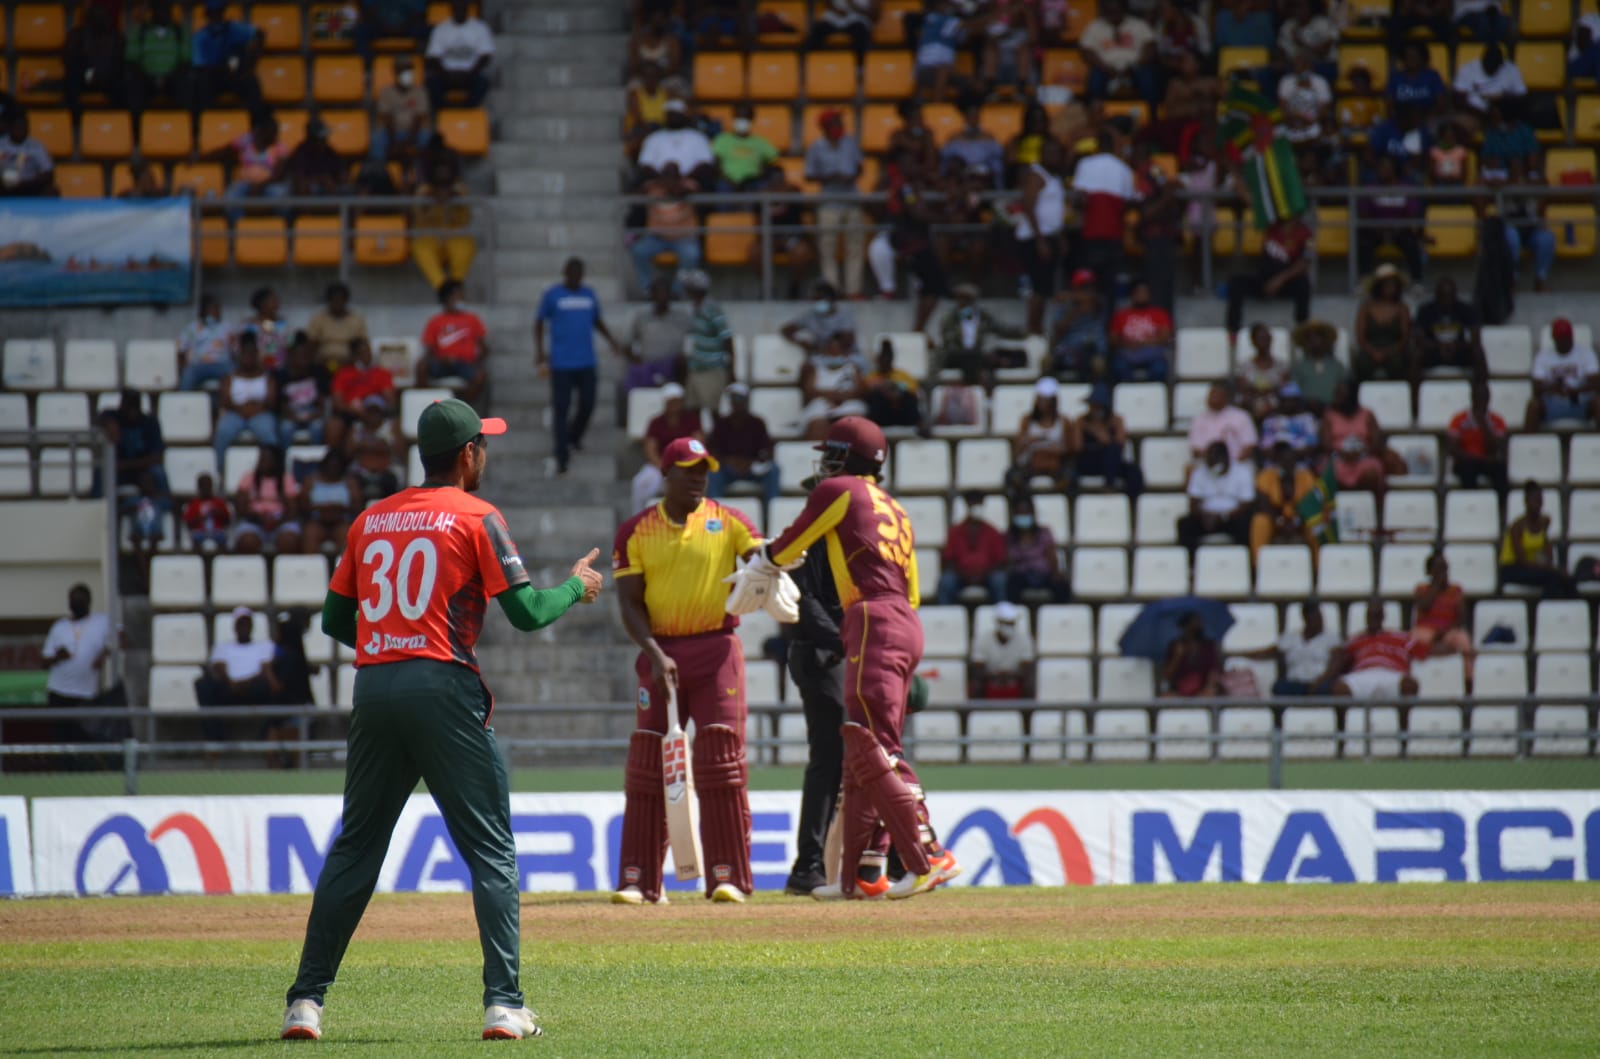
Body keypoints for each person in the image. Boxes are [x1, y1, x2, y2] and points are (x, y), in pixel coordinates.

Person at [281, 398, 602, 1043]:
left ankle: (305, 1003)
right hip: (443, 685)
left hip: (374, 687)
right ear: (466, 455)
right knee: (490, 847)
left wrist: (390, 645)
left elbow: (336, 621)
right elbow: (530, 613)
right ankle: (504, 1005)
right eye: (482, 444)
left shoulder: (372, 519)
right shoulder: (477, 516)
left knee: (357, 847)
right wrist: (576, 587)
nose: (485, 453)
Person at [757, 417, 959, 899]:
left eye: (831, 453)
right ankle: (860, 876)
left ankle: (929, 854)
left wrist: (758, 564)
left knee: (876, 751)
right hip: (903, 622)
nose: (825, 462)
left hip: (870, 619)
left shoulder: (838, 490)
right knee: (860, 751)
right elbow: (911, 591)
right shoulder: (897, 507)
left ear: (845, 457)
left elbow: (785, 549)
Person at [611, 436, 760, 906]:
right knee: (650, 763)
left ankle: (727, 876)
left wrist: (766, 569)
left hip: (716, 651)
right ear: (666, 476)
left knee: (720, 758)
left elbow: (760, 559)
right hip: (660, 655)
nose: (699, 478)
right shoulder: (636, 531)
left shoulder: (728, 521)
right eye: (689, 470)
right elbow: (630, 605)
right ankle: (639, 880)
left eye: (704, 470)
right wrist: (655, 655)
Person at [536, 257, 622, 474]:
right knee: (561, 408)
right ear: (565, 272)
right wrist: (540, 352)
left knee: (588, 403)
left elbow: (597, 320)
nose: (575, 276)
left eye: (579, 273)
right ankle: (561, 454)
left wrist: (611, 340)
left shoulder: (589, 294)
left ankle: (572, 437)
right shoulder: (553, 295)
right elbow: (538, 322)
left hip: (586, 361)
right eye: (571, 272)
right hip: (561, 363)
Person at [1329, 601, 1421, 749]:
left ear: (1383, 616)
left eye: (1377, 615)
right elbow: (1343, 662)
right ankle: (1341, 742)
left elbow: (1426, 651)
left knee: (1409, 685)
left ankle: (1404, 742)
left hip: (1392, 674)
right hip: (1363, 674)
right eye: (1370, 615)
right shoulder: (1355, 639)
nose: (1373, 618)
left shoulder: (1401, 637)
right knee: (1339, 689)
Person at [806, 109, 866, 299]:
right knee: (827, 247)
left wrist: (851, 176)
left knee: (855, 246)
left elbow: (860, 167)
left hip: (851, 198)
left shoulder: (850, 143)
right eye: (836, 123)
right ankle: (831, 290)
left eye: (840, 122)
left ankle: (853, 290)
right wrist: (828, 176)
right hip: (829, 200)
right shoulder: (816, 147)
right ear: (825, 127)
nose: (840, 126)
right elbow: (808, 175)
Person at [195, 606, 277, 737]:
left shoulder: (265, 646)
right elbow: (219, 667)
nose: (244, 627)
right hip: (229, 688)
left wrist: (246, 683)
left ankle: (266, 737)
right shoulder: (222, 647)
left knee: (272, 686)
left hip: (254, 688)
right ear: (235, 626)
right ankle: (214, 740)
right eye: (240, 623)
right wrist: (232, 684)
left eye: (246, 623)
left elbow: (265, 670)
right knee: (203, 685)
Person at [1225, 214, 1313, 333]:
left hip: (1287, 283)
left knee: (1303, 284)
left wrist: (1279, 280)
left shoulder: (1307, 234)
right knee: (1236, 283)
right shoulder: (1271, 227)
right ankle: (1233, 329)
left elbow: (1304, 263)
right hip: (1264, 281)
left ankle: (1303, 327)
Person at [410, 134, 477, 289]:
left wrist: (453, 197)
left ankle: (456, 285)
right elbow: (418, 214)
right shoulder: (423, 190)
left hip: (454, 233)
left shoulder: (460, 188)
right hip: (429, 234)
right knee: (420, 249)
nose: (443, 173)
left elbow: (466, 215)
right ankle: (442, 288)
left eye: (446, 170)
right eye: (439, 171)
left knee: (465, 247)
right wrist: (431, 198)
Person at [1014, 140, 1067, 336]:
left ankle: (1037, 328)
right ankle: (1032, 328)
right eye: (1050, 152)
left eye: (1057, 153)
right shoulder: (1036, 175)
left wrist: (1058, 236)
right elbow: (1028, 206)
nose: (1054, 157)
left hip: (1048, 236)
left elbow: (1053, 211)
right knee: (1038, 286)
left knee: (1045, 287)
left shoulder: (1055, 177)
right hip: (1034, 238)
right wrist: (1040, 240)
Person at [631, 162, 703, 294]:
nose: (670, 179)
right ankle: (649, 289)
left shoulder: (688, 184)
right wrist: (657, 184)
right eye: (667, 175)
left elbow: (694, 189)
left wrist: (677, 190)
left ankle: (677, 292)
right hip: (657, 238)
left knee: (692, 255)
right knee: (638, 251)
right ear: (661, 176)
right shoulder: (653, 187)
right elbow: (636, 193)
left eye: (673, 175)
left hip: (684, 238)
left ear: (679, 176)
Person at [630, 383, 702, 512]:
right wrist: (663, 467)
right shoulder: (656, 422)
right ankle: (637, 521)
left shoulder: (692, 420)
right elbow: (650, 448)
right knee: (640, 483)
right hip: (661, 466)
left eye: (677, 401)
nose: (675, 405)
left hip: (687, 466)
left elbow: (698, 445)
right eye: (671, 401)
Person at [1499, 480, 1577, 597]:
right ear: (1526, 502)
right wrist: (1550, 569)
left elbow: (1548, 555)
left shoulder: (1542, 524)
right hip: (1512, 568)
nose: (1538, 504)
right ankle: (1547, 609)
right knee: (1552, 577)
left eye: (1540, 501)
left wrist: (1545, 530)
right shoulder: (1517, 527)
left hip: (1531, 567)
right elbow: (1522, 560)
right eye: (1534, 501)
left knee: (1567, 580)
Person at [43, 584, 113, 714]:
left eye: (80, 600)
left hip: (86, 693)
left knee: (83, 733)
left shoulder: (102, 621)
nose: (77, 603)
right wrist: (58, 657)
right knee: (61, 733)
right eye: (74, 600)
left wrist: (104, 655)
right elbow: (44, 663)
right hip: (59, 693)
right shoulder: (59, 627)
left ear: (89, 601)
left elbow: (120, 638)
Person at [214, 333, 279, 470]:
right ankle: (219, 470)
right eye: (246, 354)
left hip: (261, 414)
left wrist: (254, 410)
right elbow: (225, 400)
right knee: (223, 431)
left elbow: (271, 400)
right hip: (235, 413)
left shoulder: (266, 377)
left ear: (257, 355)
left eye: (252, 354)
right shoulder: (230, 377)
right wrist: (242, 410)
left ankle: (273, 472)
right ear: (240, 355)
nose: (249, 357)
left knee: (268, 433)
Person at [419, 280, 489, 407]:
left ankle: (462, 409)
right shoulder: (435, 321)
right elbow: (429, 349)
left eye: (462, 296)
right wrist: (440, 359)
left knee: (480, 376)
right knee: (421, 367)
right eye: (458, 296)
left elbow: (483, 347)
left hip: (464, 364)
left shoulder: (472, 319)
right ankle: (427, 407)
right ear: (447, 298)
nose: (462, 299)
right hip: (442, 364)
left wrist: (475, 361)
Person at [936, 284, 1023, 384]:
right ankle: (979, 387)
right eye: (961, 298)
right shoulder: (950, 318)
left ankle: (983, 390)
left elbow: (1000, 329)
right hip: (955, 355)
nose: (964, 302)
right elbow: (948, 341)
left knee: (985, 359)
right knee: (972, 357)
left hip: (976, 356)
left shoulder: (982, 317)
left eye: (968, 299)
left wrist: (1022, 332)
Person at [1178, 441, 1255, 552]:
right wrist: (1204, 516)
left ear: (1225, 458)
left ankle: (1245, 561)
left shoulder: (1242, 472)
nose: (1212, 465)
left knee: (1246, 523)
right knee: (1185, 524)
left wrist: (1223, 516)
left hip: (1231, 517)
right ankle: (1191, 562)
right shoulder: (1200, 472)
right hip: (1206, 517)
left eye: (1215, 461)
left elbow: (1247, 503)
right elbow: (1193, 502)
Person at [708, 383, 779, 502]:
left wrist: (751, 463)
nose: (737, 402)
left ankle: (771, 514)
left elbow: (767, 450)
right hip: (728, 468)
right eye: (734, 398)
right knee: (713, 473)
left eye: (740, 398)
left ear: (747, 401)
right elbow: (713, 451)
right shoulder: (721, 424)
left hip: (752, 468)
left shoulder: (757, 423)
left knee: (773, 470)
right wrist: (730, 461)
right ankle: (714, 514)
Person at [1526, 317, 1600, 429]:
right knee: (1533, 406)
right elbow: (1536, 388)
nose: (1565, 341)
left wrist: (1576, 391)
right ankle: (1529, 444)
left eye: (1567, 337)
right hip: (1553, 404)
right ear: (1554, 339)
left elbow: (1596, 384)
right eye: (1561, 338)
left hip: (1579, 402)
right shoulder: (1543, 356)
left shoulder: (1586, 353)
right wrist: (1553, 388)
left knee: (1598, 402)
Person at [1412, 551, 1474, 683]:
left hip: (1449, 630)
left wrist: (1444, 632)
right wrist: (1436, 587)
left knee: (1465, 642)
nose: (1443, 572)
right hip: (1425, 629)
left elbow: (1462, 617)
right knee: (1415, 640)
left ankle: (1469, 682)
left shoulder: (1455, 589)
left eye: (1445, 568)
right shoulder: (1421, 588)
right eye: (1438, 569)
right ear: (1429, 572)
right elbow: (1423, 606)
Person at [1250, 441, 1319, 561]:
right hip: (1274, 517)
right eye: (1283, 460)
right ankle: (1258, 566)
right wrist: (1279, 521)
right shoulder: (1266, 475)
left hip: (1300, 518)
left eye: (1291, 460)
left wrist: (1297, 521)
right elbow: (1263, 504)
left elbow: (1311, 504)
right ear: (1277, 461)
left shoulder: (1305, 476)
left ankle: (1317, 567)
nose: (1288, 464)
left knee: (1315, 522)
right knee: (1260, 521)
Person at [189, 0, 262, 113]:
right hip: (214, 76)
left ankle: (257, 122)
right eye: (213, 13)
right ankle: (206, 123)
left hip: (236, 74)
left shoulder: (235, 28)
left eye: (219, 13)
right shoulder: (200, 37)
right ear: (207, 15)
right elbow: (199, 66)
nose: (216, 17)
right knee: (200, 85)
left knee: (251, 82)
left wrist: (251, 61)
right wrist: (221, 67)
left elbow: (259, 34)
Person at [1081, 0, 1160, 103]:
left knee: (1147, 76)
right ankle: (1096, 113)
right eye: (1111, 11)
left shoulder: (1138, 24)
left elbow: (1150, 47)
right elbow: (1087, 52)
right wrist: (1105, 68)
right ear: (1105, 11)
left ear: (1124, 9)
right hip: (1105, 68)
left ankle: (1151, 113)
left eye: (1117, 10)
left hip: (1134, 68)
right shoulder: (1095, 26)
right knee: (1095, 77)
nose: (1114, 13)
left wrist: (1135, 66)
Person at [1323, 380, 1393, 495]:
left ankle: (1370, 507)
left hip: (1363, 458)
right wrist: (1343, 454)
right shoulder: (1329, 415)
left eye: (1341, 393)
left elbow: (1376, 443)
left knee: (1371, 474)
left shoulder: (1367, 414)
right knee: (1329, 475)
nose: (1337, 397)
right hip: (1337, 459)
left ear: (1351, 395)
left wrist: (1359, 453)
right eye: (1337, 393)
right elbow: (1325, 444)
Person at [681, 270, 736, 412]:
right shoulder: (695, 308)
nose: (685, 289)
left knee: (713, 411)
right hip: (696, 368)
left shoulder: (713, 309)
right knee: (692, 411)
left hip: (713, 369)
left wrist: (732, 372)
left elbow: (728, 340)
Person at [218, 113, 289, 222]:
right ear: (261, 130)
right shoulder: (246, 140)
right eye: (271, 131)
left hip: (268, 185)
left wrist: (259, 186)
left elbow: (278, 174)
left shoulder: (280, 147)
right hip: (244, 183)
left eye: (275, 131)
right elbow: (226, 151)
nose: (274, 134)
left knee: (282, 196)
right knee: (230, 197)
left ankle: (280, 227)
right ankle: (236, 227)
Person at [1011, 377, 1077, 492]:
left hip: (1056, 463)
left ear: (1053, 401)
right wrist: (1028, 441)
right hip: (1032, 462)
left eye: (1045, 400)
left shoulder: (1064, 421)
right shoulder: (1027, 421)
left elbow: (1071, 449)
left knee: (1071, 476)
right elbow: (1016, 451)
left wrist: (1056, 450)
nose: (1042, 403)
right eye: (1039, 399)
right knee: (1013, 476)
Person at [124, 2, 191, 115]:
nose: (162, 12)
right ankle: (135, 128)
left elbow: (185, 60)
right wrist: (150, 76)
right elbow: (132, 60)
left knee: (186, 85)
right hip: (146, 78)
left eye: (165, 8)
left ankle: (182, 126)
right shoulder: (140, 31)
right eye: (159, 8)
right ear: (153, 11)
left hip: (172, 78)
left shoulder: (179, 31)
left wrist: (168, 77)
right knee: (133, 85)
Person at [233, 445, 302, 555]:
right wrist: (259, 519)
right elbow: (241, 509)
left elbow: (293, 510)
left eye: (267, 458)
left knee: (289, 542)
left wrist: (276, 522)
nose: (263, 462)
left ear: (276, 461)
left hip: (281, 522)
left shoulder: (286, 479)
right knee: (247, 542)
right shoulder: (248, 478)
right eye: (262, 458)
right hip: (254, 522)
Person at [425, 0, 494, 108]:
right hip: (446, 74)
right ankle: (445, 109)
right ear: (451, 9)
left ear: (467, 9)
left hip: (470, 73)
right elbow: (433, 57)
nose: (459, 11)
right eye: (457, 8)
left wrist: (470, 73)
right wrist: (446, 74)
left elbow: (486, 55)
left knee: (483, 83)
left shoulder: (480, 28)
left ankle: (468, 107)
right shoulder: (441, 29)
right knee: (431, 83)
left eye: (462, 8)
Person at [1413, 278, 1483, 383]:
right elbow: (1419, 338)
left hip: (1458, 349)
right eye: (1443, 295)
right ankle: (1414, 397)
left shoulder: (1465, 309)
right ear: (1436, 295)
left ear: (1455, 294)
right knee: (1416, 354)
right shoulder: (1426, 310)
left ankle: (1481, 390)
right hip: (1434, 350)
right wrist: (1439, 345)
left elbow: (1475, 338)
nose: (1447, 299)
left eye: (1450, 295)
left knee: (1478, 352)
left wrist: (1455, 345)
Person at [800, 335, 869, 440]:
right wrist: (834, 395)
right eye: (830, 351)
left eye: (837, 351)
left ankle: (850, 455)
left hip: (848, 403)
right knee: (817, 424)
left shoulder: (853, 368)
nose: (833, 354)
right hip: (822, 404)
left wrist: (837, 396)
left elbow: (860, 391)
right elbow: (809, 391)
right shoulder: (816, 369)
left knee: (853, 422)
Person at [1446, 379, 1509, 495]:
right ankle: (1472, 504)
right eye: (1479, 396)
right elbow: (1453, 449)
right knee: (1467, 468)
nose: (1481, 400)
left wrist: (1483, 423)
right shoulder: (1458, 419)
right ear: (1472, 397)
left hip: (1487, 461)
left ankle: (1500, 507)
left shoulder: (1497, 421)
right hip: (1467, 461)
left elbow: (1495, 447)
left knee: (1501, 469)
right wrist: (1476, 458)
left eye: (1484, 396)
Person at [1353, 264, 1412, 383]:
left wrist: (1387, 353)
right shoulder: (1366, 308)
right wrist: (1373, 352)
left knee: (1398, 363)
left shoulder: (1402, 309)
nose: (1390, 288)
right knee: (1361, 363)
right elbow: (1360, 337)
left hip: (1394, 350)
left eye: (1393, 284)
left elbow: (1405, 338)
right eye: (1387, 284)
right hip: (1370, 349)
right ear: (1378, 286)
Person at [1004, 496, 1069, 603]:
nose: (1023, 516)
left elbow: (1051, 555)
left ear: (1033, 513)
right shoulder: (1009, 536)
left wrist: (1056, 572)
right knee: (1011, 585)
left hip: (1043, 574)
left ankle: (1060, 616)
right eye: (1020, 513)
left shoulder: (1044, 532)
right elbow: (1008, 560)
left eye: (1026, 512)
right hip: (1021, 576)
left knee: (1062, 586)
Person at [275, 337, 336, 450]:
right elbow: (282, 404)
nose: (305, 358)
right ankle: (285, 461)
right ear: (292, 356)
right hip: (292, 414)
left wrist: (317, 415)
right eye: (301, 355)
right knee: (285, 429)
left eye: (307, 355)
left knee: (317, 428)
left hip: (313, 413)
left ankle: (316, 463)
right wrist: (292, 416)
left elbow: (323, 400)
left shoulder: (317, 372)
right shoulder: (282, 376)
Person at [637, 99, 716, 186]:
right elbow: (646, 164)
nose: (673, 117)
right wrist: (665, 180)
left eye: (676, 114)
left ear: (683, 115)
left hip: (690, 183)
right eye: (671, 114)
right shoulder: (654, 137)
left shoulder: (698, 137)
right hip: (659, 184)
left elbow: (705, 163)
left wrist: (683, 180)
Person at [1108, 279, 1174, 383]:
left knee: (1159, 369)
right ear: (1132, 295)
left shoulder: (1159, 314)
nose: (1142, 295)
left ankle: (1151, 395)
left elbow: (1165, 338)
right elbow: (1113, 339)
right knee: (1118, 367)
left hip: (1153, 354)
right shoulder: (1121, 315)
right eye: (1138, 292)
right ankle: (1130, 395)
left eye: (1145, 292)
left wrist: (1142, 343)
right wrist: (1126, 344)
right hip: (1127, 354)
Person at [371, 55, 432, 163]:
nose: (406, 73)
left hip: (415, 132)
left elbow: (418, 119)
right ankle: (380, 172)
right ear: (395, 72)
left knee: (427, 138)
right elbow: (387, 118)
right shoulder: (386, 92)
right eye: (403, 70)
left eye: (409, 70)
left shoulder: (420, 92)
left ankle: (423, 173)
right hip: (391, 133)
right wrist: (394, 142)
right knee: (377, 140)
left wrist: (407, 142)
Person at [1269, 602, 1338, 697]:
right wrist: (1242, 654)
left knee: (1329, 689)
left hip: (1320, 683)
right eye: (1314, 617)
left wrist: (1319, 682)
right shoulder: (1291, 637)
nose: (1319, 620)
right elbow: (1271, 652)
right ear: (1305, 618)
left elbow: (1335, 665)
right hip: (1295, 683)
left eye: (1319, 616)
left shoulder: (1332, 638)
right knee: (1278, 687)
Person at [970, 602, 1036, 699]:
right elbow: (978, 666)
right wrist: (995, 675)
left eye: (1012, 623)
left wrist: (1009, 675)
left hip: (1015, 679)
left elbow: (1027, 667)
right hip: (989, 679)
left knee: (1029, 684)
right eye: (1006, 623)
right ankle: (978, 712)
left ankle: (1026, 713)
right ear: (998, 622)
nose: (1009, 626)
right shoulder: (982, 639)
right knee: (976, 685)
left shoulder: (1025, 639)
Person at [331, 338, 397, 435]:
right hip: (351, 415)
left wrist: (372, 410)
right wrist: (352, 409)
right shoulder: (343, 374)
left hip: (376, 413)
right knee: (334, 425)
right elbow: (337, 402)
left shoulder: (382, 373)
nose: (368, 355)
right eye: (363, 352)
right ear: (355, 356)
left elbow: (390, 400)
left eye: (369, 351)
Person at [299, 451, 360, 554]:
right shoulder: (311, 480)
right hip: (317, 521)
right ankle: (312, 566)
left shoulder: (350, 482)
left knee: (346, 535)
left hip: (341, 521)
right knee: (310, 534)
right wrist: (322, 508)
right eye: (330, 465)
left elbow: (357, 507)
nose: (333, 468)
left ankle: (343, 568)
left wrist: (339, 508)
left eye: (336, 465)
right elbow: (303, 506)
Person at [711, 101, 779, 191]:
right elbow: (716, 164)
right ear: (734, 117)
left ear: (752, 119)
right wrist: (728, 180)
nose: (742, 120)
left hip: (753, 182)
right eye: (739, 117)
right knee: (722, 187)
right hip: (727, 182)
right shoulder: (721, 140)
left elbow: (772, 161)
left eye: (745, 117)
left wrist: (759, 175)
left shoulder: (760, 142)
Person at [782, 282, 858, 356]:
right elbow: (786, 330)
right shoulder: (810, 316)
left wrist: (831, 347)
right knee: (806, 368)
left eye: (821, 299)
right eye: (815, 299)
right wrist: (800, 343)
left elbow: (848, 339)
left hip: (845, 356)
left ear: (832, 299)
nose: (817, 302)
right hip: (821, 357)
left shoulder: (844, 314)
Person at [176, 295, 234, 391]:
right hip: (198, 365)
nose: (215, 312)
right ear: (203, 311)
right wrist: (183, 366)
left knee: (235, 373)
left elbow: (236, 349)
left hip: (222, 364)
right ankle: (184, 404)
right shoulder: (192, 328)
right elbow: (181, 349)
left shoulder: (227, 327)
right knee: (188, 374)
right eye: (211, 309)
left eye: (217, 309)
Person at [1189, 382, 1258, 462]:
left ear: (1226, 398)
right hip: (1208, 465)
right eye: (1211, 395)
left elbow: (1249, 446)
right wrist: (1213, 462)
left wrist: (1232, 465)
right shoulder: (1199, 419)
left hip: (1237, 464)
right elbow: (1196, 450)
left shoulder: (1241, 416)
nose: (1212, 399)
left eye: (1216, 396)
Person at [863, 340, 923, 429]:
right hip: (882, 415)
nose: (885, 360)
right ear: (878, 359)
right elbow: (866, 391)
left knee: (908, 398)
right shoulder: (872, 376)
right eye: (883, 357)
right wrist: (883, 389)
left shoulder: (903, 375)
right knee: (876, 397)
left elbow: (912, 390)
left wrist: (895, 387)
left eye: (888, 357)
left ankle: (919, 426)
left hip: (902, 413)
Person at [305, 283, 369, 367]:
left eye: (340, 300)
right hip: (323, 363)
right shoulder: (319, 319)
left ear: (346, 300)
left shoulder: (356, 320)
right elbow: (310, 343)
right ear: (328, 301)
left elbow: (363, 343)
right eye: (334, 300)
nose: (337, 303)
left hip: (349, 363)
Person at [1289, 319, 1348, 411]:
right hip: (1306, 411)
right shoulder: (1298, 367)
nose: (1313, 340)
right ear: (1304, 342)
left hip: (1334, 411)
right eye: (1308, 337)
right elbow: (1293, 392)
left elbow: (1345, 390)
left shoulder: (1337, 366)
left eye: (1318, 336)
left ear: (1326, 340)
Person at [1235, 324, 1288, 421]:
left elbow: (1283, 388)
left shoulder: (1281, 365)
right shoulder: (1244, 366)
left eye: (1265, 338)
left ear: (1271, 339)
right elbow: (1243, 388)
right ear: (1253, 341)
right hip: (1251, 404)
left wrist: (1265, 395)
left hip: (1275, 404)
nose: (1263, 341)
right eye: (1259, 338)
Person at [1163, 611, 1222, 697]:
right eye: (1193, 622)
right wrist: (1177, 657)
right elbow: (1167, 676)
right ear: (1185, 626)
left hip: (1202, 689)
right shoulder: (1175, 645)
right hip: (1179, 691)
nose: (1198, 624)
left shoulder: (1208, 645)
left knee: (1210, 695)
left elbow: (1213, 671)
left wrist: (1208, 687)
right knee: (1166, 698)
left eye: (1198, 621)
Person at [0, 112, 58, 197]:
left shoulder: (36, 146)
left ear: (28, 129)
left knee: (51, 192)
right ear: (10, 128)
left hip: (29, 185)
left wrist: (30, 182)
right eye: (17, 127)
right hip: (4, 185)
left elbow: (48, 172)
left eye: (23, 127)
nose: (20, 130)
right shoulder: (1, 144)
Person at [1260, 382, 1320, 458]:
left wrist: (1291, 454)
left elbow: (1312, 446)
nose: (1289, 403)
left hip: (1301, 463)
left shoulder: (1308, 419)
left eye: (1292, 400)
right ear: (1281, 401)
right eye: (1286, 400)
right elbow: (1265, 448)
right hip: (1275, 463)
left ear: (1298, 401)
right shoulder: (1270, 420)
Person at [807, 0, 879, 57]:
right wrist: (836, 10)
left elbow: (874, 13)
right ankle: (815, 63)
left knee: (860, 32)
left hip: (857, 21)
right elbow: (828, 3)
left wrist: (853, 6)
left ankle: (859, 65)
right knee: (818, 29)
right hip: (835, 19)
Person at [182, 472, 233, 551]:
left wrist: (218, 513)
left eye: (208, 485)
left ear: (212, 486)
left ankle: (222, 560)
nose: (206, 488)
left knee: (222, 537)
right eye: (203, 486)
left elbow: (228, 521)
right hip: (200, 531)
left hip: (217, 531)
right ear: (199, 487)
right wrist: (200, 518)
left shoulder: (219, 502)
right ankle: (198, 560)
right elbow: (188, 523)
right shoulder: (193, 504)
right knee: (196, 537)